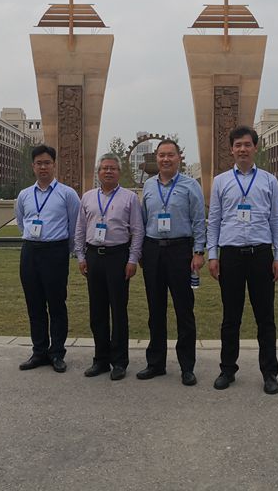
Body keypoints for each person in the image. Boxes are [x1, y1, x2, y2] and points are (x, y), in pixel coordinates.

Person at [207, 126, 278, 395]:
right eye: (238, 145)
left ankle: (270, 373)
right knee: (231, 317)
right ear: (231, 149)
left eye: (247, 144)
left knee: (265, 317)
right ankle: (227, 369)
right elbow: (214, 221)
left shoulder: (269, 181)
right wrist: (213, 255)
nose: (243, 149)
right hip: (230, 255)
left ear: (255, 148)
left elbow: (277, 220)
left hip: (260, 254)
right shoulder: (220, 182)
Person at [137, 139, 206, 386]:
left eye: (170, 155)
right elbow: (144, 220)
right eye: (161, 155)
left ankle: (187, 366)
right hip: (153, 250)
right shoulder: (148, 186)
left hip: (180, 251)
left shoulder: (190, 186)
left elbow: (198, 220)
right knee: (155, 310)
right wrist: (141, 252)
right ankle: (156, 363)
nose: (165, 159)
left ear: (179, 158)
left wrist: (199, 252)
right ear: (156, 158)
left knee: (184, 310)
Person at [74, 154, 144, 381]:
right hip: (94, 257)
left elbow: (137, 231)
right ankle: (101, 360)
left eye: (113, 168)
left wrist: (132, 259)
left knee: (119, 311)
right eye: (104, 168)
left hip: (118, 257)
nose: (108, 171)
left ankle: (120, 362)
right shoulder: (87, 197)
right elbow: (80, 229)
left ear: (119, 172)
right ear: (98, 172)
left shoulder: (129, 198)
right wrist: (81, 256)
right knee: (97, 311)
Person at [15, 145, 80, 373]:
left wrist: (66, 250)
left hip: (56, 252)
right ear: (33, 166)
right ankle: (39, 351)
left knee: (56, 304)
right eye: (39, 163)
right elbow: (21, 222)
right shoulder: (24, 195)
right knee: (34, 304)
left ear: (54, 165)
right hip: (30, 252)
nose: (43, 167)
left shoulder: (67, 194)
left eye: (47, 163)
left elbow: (74, 225)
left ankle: (57, 353)